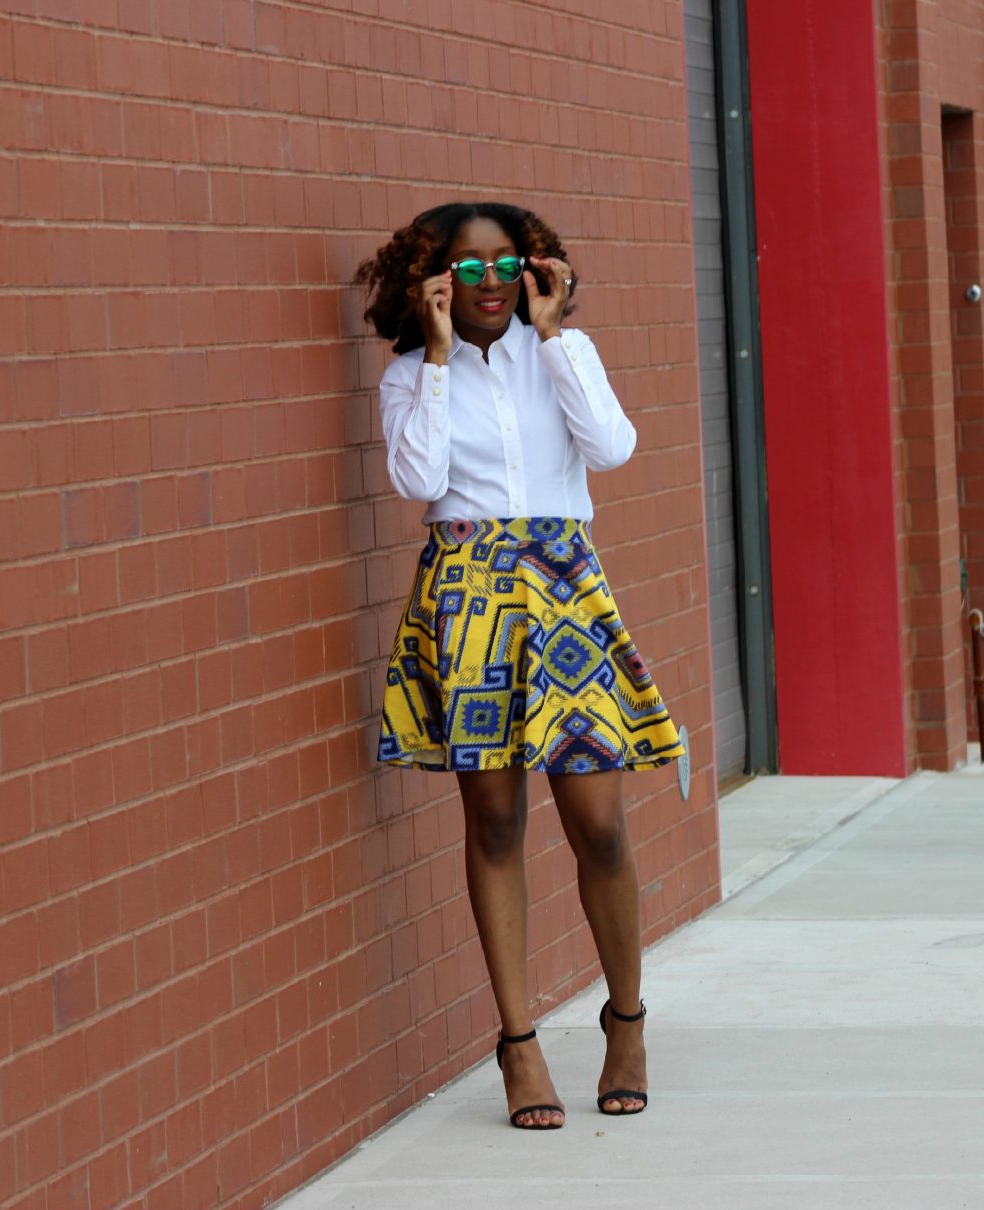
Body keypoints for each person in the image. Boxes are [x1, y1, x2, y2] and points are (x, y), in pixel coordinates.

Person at [355, 202, 684, 1129]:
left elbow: (612, 449)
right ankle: (518, 1043)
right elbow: (419, 482)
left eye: (507, 265)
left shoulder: (560, 356)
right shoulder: (413, 377)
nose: (490, 282)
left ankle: (627, 1020)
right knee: (495, 822)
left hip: (565, 586)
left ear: (538, 273)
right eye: (467, 269)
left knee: (600, 823)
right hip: (466, 596)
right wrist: (434, 356)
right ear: (434, 282)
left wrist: (556, 338)